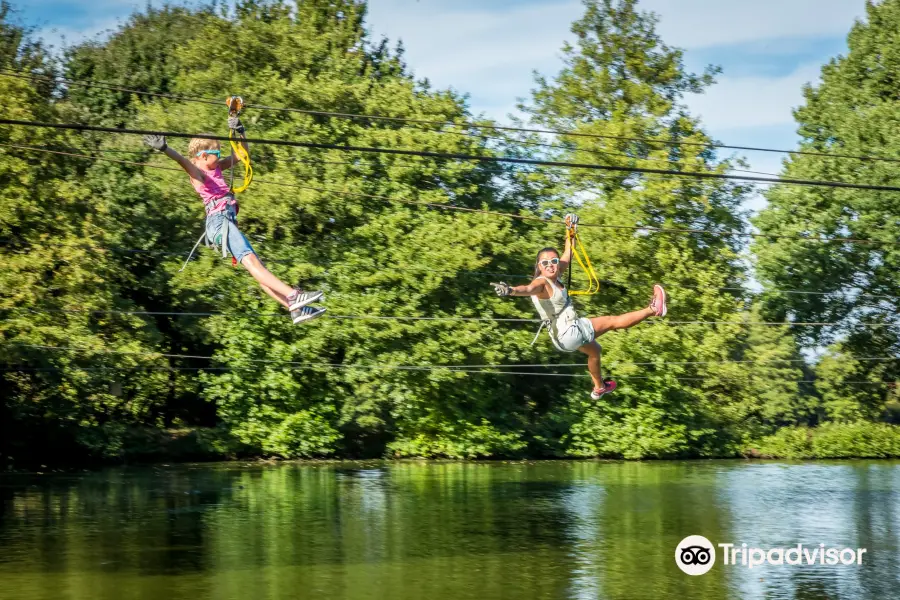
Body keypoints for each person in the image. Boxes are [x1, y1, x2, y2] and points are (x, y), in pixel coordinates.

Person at [143, 116, 324, 324]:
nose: (220, 156)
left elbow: (242, 154)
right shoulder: (198, 174)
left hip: (227, 222)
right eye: (216, 153)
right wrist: (166, 149)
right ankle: (293, 296)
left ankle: (294, 309)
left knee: (258, 267)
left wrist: (241, 131)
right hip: (219, 222)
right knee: (252, 261)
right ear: (202, 156)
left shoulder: (216, 167)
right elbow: (184, 162)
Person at [490, 214, 667, 399]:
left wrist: (570, 228)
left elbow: (569, 252)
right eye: (545, 263)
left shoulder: (556, 274)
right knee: (612, 321)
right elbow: (526, 289)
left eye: (554, 261)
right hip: (568, 332)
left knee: (595, 351)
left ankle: (599, 388)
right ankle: (654, 309)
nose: (551, 265)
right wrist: (510, 290)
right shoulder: (541, 283)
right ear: (539, 267)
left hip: (561, 340)